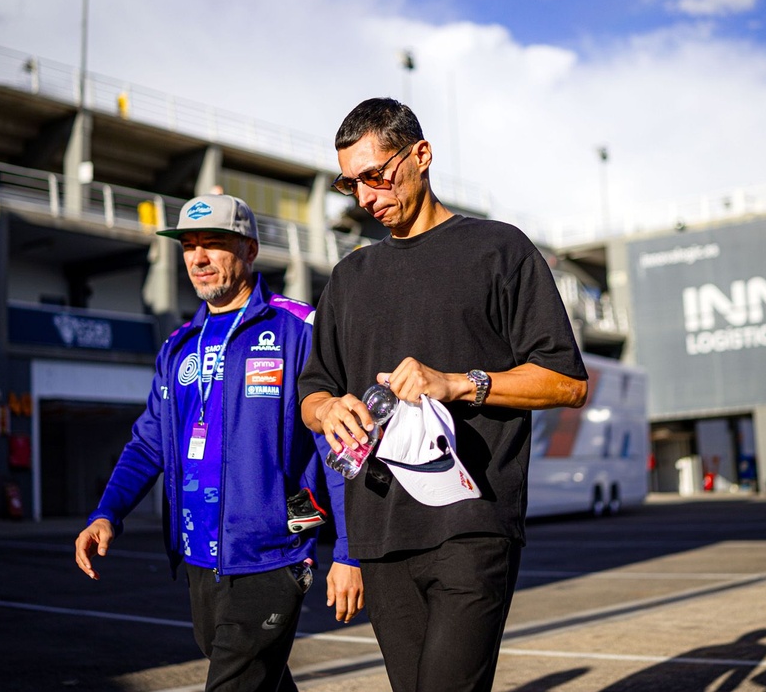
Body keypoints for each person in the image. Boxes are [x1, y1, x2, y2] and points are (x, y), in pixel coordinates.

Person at [298, 98, 588, 691]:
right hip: (379, 529)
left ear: (422, 155)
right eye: (351, 184)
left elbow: (568, 382)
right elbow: (313, 392)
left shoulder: (499, 250)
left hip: (471, 520)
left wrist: (459, 382)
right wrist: (328, 410)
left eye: (376, 176)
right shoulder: (350, 278)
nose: (366, 197)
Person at [75, 193, 363, 692]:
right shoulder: (177, 346)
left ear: (250, 249)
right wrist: (107, 512)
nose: (199, 258)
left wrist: (350, 552)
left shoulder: (298, 329)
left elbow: (337, 445)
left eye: (213, 243)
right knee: (258, 678)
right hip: (198, 557)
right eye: (189, 246)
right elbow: (148, 443)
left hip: (273, 554)